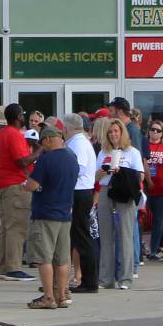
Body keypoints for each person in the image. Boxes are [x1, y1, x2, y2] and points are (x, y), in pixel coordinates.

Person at [23, 127, 79, 308]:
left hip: (45, 214)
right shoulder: (72, 159)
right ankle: (62, 296)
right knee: (63, 259)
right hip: (65, 214)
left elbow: (32, 185)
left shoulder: (45, 160)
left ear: (47, 140)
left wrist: (25, 183)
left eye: (42, 142)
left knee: (44, 258)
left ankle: (48, 297)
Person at [0, 104, 41, 282]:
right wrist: (39, 150)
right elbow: (22, 161)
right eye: (22, 115)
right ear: (18, 117)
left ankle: (6, 267)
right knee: (16, 228)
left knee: (6, 226)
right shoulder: (13, 134)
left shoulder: (0, 134)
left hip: (2, 182)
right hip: (15, 184)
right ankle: (13, 268)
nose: (23, 118)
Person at [95, 119, 144, 289]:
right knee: (106, 236)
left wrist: (121, 171)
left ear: (122, 132)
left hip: (124, 192)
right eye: (110, 132)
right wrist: (101, 172)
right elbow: (96, 177)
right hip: (106, 191)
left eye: (116, 131)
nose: (113, 134)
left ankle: (125, 278)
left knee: (125, 235)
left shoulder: (132, 153)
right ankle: (105, 278)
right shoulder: (103, 152)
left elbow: (140, 176)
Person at [63, 114, 98, 294]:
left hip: (80, 191)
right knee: (79, 236)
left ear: (67, 128)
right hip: (81, 191)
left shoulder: (78, 143)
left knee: (81, 236)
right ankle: (86, 279)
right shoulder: (79, 142)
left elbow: (79, 167)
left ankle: (89, 281)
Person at [144, 118, 163, 261]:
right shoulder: (144, 145)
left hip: (160, 189)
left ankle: (154, 250)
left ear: (162, 133)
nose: (154, 132)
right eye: (152, 129)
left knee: (158, 221)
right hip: (146, 189)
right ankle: (143, 248)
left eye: (158, 130)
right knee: (142, 220)